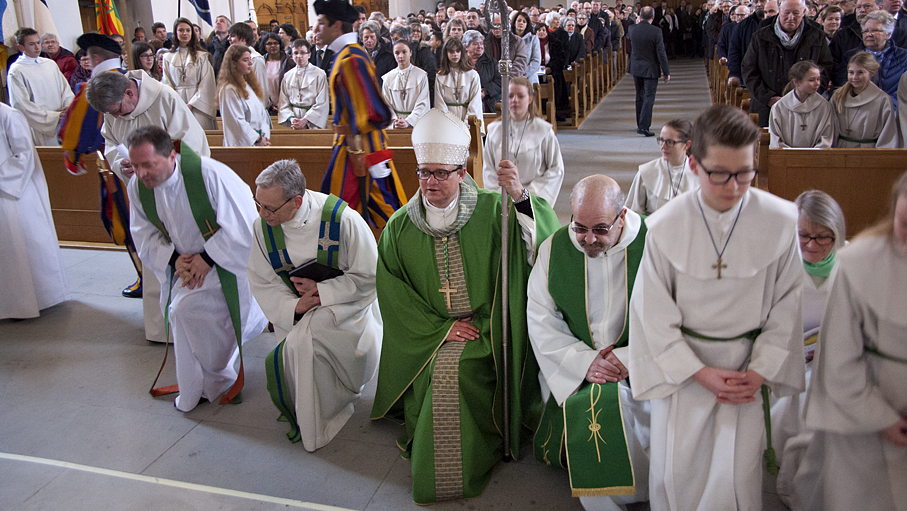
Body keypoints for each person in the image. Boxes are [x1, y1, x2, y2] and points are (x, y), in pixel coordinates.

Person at [371, 108, 560, 505]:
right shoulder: (400, 227)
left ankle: (485, 443)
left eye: (441, 173)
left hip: (490, 327)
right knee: (441, 370)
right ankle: (447, 464)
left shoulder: (495, 210)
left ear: (462, 172)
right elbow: (393, 293)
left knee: (457, 373)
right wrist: (440, 330)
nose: (430, 182)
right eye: (424, 172)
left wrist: (520, 196)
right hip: (428, 333)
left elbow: (542, 245)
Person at [628, 105, 804, 511]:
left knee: (737, 475)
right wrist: (699, 372)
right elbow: (652, 312)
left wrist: (761, 368)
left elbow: (788, 301)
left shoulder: (779, 220)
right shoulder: (665, 226)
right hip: (685, 375)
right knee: (679, 473)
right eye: (720, 174)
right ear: (693, 163)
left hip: (746, 372)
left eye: (745, 172)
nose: (734, 186)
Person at [527, 174, 650, 511]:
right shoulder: (555, 249)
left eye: (600, 229)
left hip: (641, 368)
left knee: (633, 413)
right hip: (577, 368)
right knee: (592, 410)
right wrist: (584, 362)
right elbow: (540, 318)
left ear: (622, 216)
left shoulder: (654, 246)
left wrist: (629, 357)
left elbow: (676, 315)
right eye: (579, 227)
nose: (588, 239)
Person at [126, 126, 268, 412]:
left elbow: (246, 227)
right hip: (184, 269)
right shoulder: (139, 187)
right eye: (135, 166)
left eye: (148, 165)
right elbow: (143, 234)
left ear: (171, 155)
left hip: (226, 264)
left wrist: (209, 258)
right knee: (182, 314)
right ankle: (204, 382)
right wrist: (173, 260)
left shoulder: (210, 175)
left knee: (189, 315)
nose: (141, 174)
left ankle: (214, 377)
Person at [792, 171, 907, 511]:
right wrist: (880, 417)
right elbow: (840, 356)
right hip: (860, 403)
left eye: (822, 238)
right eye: (904, 225)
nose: (812, 246)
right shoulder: (860, 265)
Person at [247, 159, 381, 451]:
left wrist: (323, 292)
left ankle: (327, 413)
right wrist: (294, 308)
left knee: (303, 341)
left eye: (269, 207)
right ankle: (314, 417)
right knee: (300, 340)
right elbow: (262, 279)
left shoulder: (341, 220)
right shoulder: (263, 226)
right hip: (297, 311)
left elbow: (371, 276)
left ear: (296, 201)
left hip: (346, 309)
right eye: (257, 203)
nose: (261, 213)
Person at [771, 190, 845, 507]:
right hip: (788, 361)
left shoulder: (852, 266)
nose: (811, 246)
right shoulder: (779, 264)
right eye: (803, 235)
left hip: (839, 364)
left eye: (823, 238)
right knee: (793, 404)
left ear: (837, 234)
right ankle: (785, 485)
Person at [314, 0, 406, 230]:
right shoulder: (345, 56)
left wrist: (375, 159)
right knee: (342, 218)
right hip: (352, 149)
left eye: (321, 24)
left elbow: (373, 111)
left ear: (336, 25)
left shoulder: (351, 59)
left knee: (386, 213)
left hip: (360, 153)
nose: (316, 30)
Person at [0, 102, 69, 319]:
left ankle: (30, 300)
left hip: (13, 192)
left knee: (20, 247)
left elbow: (25, 155)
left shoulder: (9, 115)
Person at [741, 0, 833, 127]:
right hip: (767, 106)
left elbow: (825, 68)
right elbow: (749, 69)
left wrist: (808, 95)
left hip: (806, 105)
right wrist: (768, 98)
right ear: (779, 11)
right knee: (766, 143)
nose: (791, 17)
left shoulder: (817, 35)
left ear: (803, 13)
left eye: (796, 13)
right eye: (786, 13)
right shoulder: (761, 36)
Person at [483, 77, 564, 206]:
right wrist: (502, 198)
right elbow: (488, 169)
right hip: (502, 200)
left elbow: (556, 169)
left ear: (530, 99)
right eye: (510, 96)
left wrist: (525, 196)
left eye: (520, 96)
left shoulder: (544, 131)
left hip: (533, 199)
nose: (514, 100)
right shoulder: (494, 131)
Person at [8, 28, 75, 146]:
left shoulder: (49, 64)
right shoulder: (17, 71)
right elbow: (21, 105)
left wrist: (68, 107)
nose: (37, 47)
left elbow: (65, 90)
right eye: (31, 44)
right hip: (39, 126)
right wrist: (53, 117)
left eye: (38, 42)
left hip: (62, 122)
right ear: (21, 47)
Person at [626, 119, 698, 215]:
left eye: (670, 142)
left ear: (687, 145)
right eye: (661, 140)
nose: (663, 146)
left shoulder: (700, 175)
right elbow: (633, 215)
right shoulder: (646, 172)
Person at [837, 10, 907, 106]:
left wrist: (887, 106)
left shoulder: (904, 57)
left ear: (888, 34)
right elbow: (843, 86)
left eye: (875, 30)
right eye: (865, 31)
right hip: (859, 109)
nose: (869, 34)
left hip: (895, 111)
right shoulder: (850, 56)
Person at [831, 51, 898, 146]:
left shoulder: (882, 100)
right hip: (840, 149)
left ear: (872, 73)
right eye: (851, 72)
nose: (855, 77)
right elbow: (829, 128)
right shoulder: (838, 96)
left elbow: (888, 134)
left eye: (860, 72)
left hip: (868, 152)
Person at [161, 18, 218, 130]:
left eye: (188, 30)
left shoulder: (202, 56)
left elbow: (207, 83)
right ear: (175, 33)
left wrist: (192, 104)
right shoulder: (168, 57)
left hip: (199, 106)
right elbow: (167, 83)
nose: (185, 33)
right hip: (177, 103)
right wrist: (177, 102)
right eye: (181, 30)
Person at [769, 61, 836, 148]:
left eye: (818, 79)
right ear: (796, 82)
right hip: (786, 159)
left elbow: (826, 138)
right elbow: (775, 139)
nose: (817, 83)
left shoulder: (824, 106)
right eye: (811, 80)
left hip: (816, 158)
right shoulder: (779, 107)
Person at [628, 7, 671, 137]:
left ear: (640, 16)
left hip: (636, 67)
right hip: (650, 68)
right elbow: (661, 53)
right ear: (652, 17)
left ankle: (639, 124)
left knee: (639, 95)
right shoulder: (656, 31)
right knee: (649, 97)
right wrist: (666, 71)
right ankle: (644, 126)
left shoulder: (632, 29)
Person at [217, 45, 272, 147]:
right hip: (244, 144)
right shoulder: (229, 89)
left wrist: (264, 136)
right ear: (234, 63)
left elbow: (262, 114)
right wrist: (258, 139)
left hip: (258, 141)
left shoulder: (247, 85)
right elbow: (237, 121)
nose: (250, 63)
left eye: (250, 59)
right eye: (245, 60)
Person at [435, 36, 484, 133]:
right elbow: (439, 103)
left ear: (462, 52)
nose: (455, 54)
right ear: (446, 53)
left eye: (458, 51)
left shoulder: (473, 75)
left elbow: (475, 102)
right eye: (451, 51)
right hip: (447, 124)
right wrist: (450, 123)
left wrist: (466, 124)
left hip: (468, 122)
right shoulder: (440, 76)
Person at [278, 39, 329, 129]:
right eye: (296, 53)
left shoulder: (319, 74)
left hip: (314, 122)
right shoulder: (287, 76)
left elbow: (322, 102)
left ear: (309, 54)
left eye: (302, 53)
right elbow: (283, 102)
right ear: (292, 56)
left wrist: (305, 120)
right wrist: (291, 118)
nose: (299, 56)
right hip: (294, 122)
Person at [382, 39, 431, 128]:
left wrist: (409, 121)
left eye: (404, 52)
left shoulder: (421, 75)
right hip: (395, 125)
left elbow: (423, 103)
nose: (401, 56)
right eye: (397, 53)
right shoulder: (388, 78)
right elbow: (386, 104)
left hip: (416, 125)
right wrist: (395, 121)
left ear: (410, 52)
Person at [228, 22, 270, 110]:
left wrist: (257, 112)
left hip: (253, 110)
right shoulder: (232, 58)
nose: (229, 39)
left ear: (243, 38)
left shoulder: (256, 59)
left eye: (232, 36)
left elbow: (262, 90)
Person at [464, 30, 501, 115]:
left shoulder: (491, 62)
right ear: (466, 46)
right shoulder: (461, 64)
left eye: (481, 43)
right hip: (466, 103)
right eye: (475, 44)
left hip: (489, 104)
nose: (479, 46)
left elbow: (500, 82)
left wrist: (485, 91)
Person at [261, 32, 296, 116]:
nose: (273, 46)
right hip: (267, 108)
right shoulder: (260, 61)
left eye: (276, 43)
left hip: (288, 106)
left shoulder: (289, 61)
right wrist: (270, 104)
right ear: (264, 46)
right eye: (269, 44)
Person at [360, 21, 395, 85]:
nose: (369, 40)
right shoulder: (357, 55)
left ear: (377, 38)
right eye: (366, 37)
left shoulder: (388, 56)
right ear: (361, 39)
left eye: (372, 37)